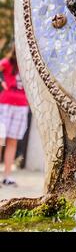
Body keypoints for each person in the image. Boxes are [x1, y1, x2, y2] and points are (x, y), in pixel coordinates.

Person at [0, 46, 28, 186]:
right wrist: (2, 82)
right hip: (5, 105)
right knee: (0, 140)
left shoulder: (29, 65)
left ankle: (7, 176)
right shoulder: (7, 63)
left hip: (22, 106)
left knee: (12, 142)